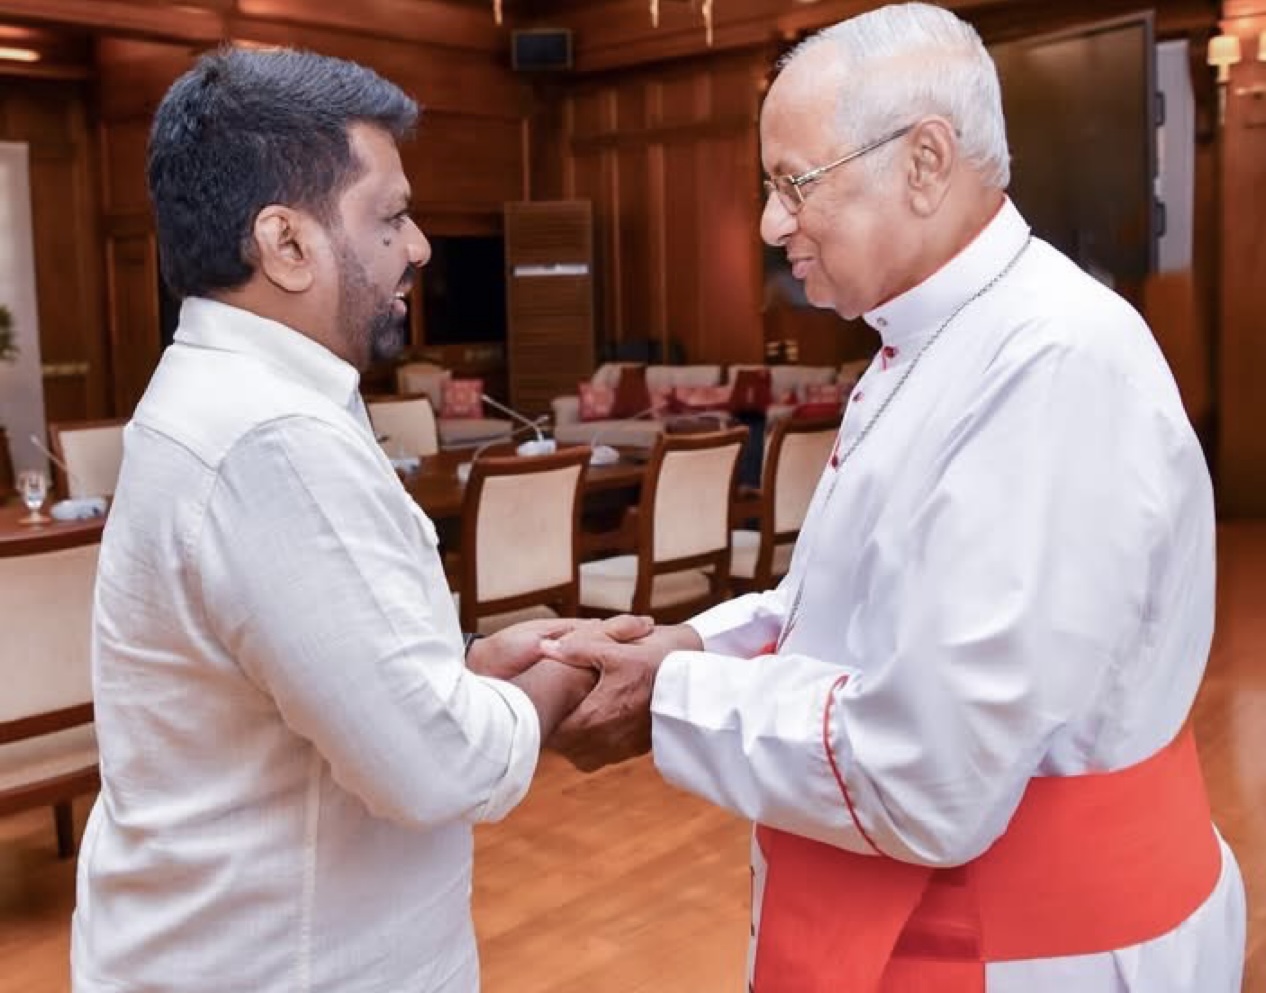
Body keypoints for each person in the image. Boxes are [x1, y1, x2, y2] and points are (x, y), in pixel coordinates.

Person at [536, 5, 1247, 992]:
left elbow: (930, 770)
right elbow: (848, 602)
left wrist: (667, 698)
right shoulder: (935, 341)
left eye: (795, 183)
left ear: (924, 161)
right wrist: (689, 644)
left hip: (1025, 949)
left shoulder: (1050, 363)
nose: (770, 223)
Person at [71, 46, 648, 993]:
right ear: (286, 244)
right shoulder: (270, 436)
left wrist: (461, 668)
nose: (418, 246)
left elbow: (307, 670)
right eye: (390, 217)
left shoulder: (234, 394)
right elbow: (435, 765)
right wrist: (569, 667)